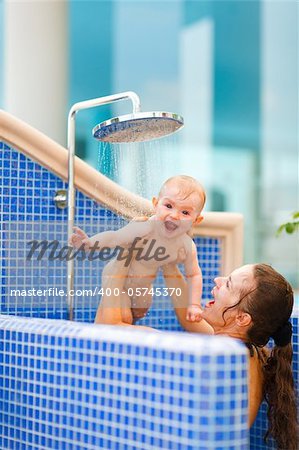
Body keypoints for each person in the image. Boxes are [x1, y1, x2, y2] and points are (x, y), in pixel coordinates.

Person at [162, 262, 298, 450]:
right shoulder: (246, 350)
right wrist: (169, 265)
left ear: (242, 319)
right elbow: (190, 320)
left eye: (228, 284)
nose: (217, 280)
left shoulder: (226, 362)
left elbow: (110, 323)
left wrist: (116, 274)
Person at [70, 175, 206, 326]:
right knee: (123, 317)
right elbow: (114, 238)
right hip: (120, 281)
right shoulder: (145, 229)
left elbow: (194, 274)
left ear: (196, 220)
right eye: (168, 206)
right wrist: (89, 244)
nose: (174, 215)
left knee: (140, 311)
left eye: (185, 213)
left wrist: (194, 305)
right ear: (155, 204)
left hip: (144, 286)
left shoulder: (186, 245)